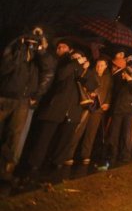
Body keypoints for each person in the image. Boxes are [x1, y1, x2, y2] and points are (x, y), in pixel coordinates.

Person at [26, 44, 97, 177]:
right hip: (56, 106)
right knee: (44, 136)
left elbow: (92, 85)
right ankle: (34, 162)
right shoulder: (64, 64)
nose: (78, 58)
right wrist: (75, 63)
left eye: (80, 57)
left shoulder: (86, 70)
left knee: (65, 138)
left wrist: (86, 71)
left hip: (73, 109)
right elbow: (60, 75)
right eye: (75, 56)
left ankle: (57, 161)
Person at [0, 28, 55, 180]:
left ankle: (5, 169)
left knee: (14, 136)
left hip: (23, 100)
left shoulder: (41, 56)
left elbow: (49, 70)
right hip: (4, 95)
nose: (32, 42)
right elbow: (4, 67)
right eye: (30, 38)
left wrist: (41, 50)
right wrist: (19, 46)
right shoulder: (14, 49)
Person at [99, 64, 132, 170]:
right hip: (118, 111)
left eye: (124, 73)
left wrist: (130, 80)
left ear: (128, 74)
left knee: (126, 134)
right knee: (114, 133)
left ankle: (125, 155)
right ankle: (113, 153)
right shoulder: (121, 82)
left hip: (128, 112)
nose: (122, 75)